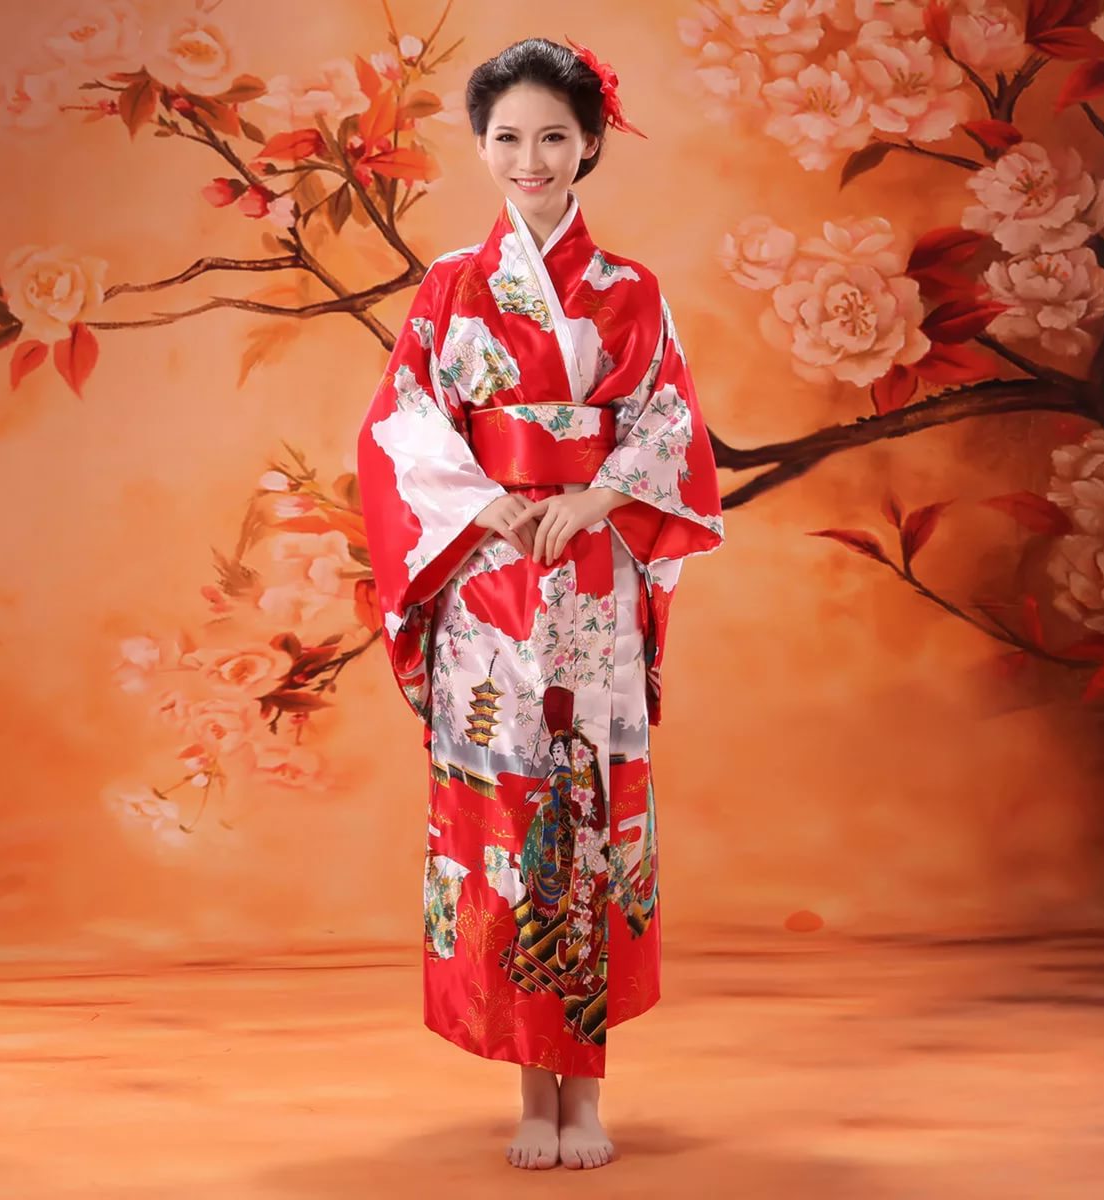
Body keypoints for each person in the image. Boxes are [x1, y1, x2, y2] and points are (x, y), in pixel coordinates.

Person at [356, 35, 725, 1171]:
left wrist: (600, 494)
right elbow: (401, 426)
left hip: (595, 577)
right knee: (511, 820)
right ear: (480, 146)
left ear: (590, 144)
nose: (531, 159)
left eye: (554, 137)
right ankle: (533, 1089)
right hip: (490, 587)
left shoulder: (632, 292)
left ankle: (588, 1095)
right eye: (508, 137)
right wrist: (490, 505)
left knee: (591, 807)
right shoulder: (450, 289)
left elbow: (669, 421)